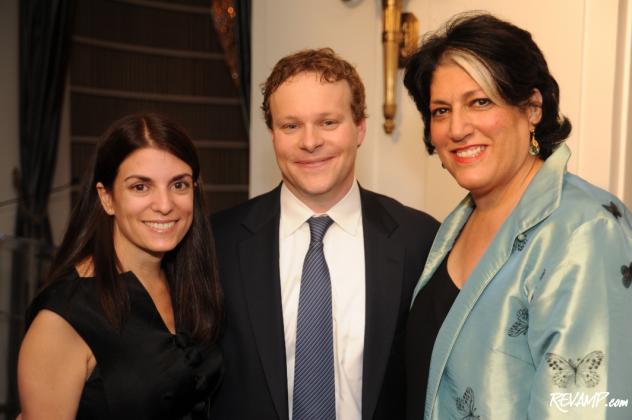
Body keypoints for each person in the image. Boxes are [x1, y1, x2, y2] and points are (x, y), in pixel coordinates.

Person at [403, 12, 632, 420]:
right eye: (441, 111)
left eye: (480, 101)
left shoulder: (585, 230)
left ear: (532, 108)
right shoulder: (456, 225)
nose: (457, 128)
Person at [209, 48, 439, 420]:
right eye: (291, 125)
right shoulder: (219, 242)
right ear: (272, 135)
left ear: (360, 128)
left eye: (328, 122)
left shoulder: (420, 240)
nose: (310, 141)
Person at [17, 114, 224, 419]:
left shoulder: (188, 281)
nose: (165, 204)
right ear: (107, 198)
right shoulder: (64, 317)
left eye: (179, 184)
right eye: (141, 187)